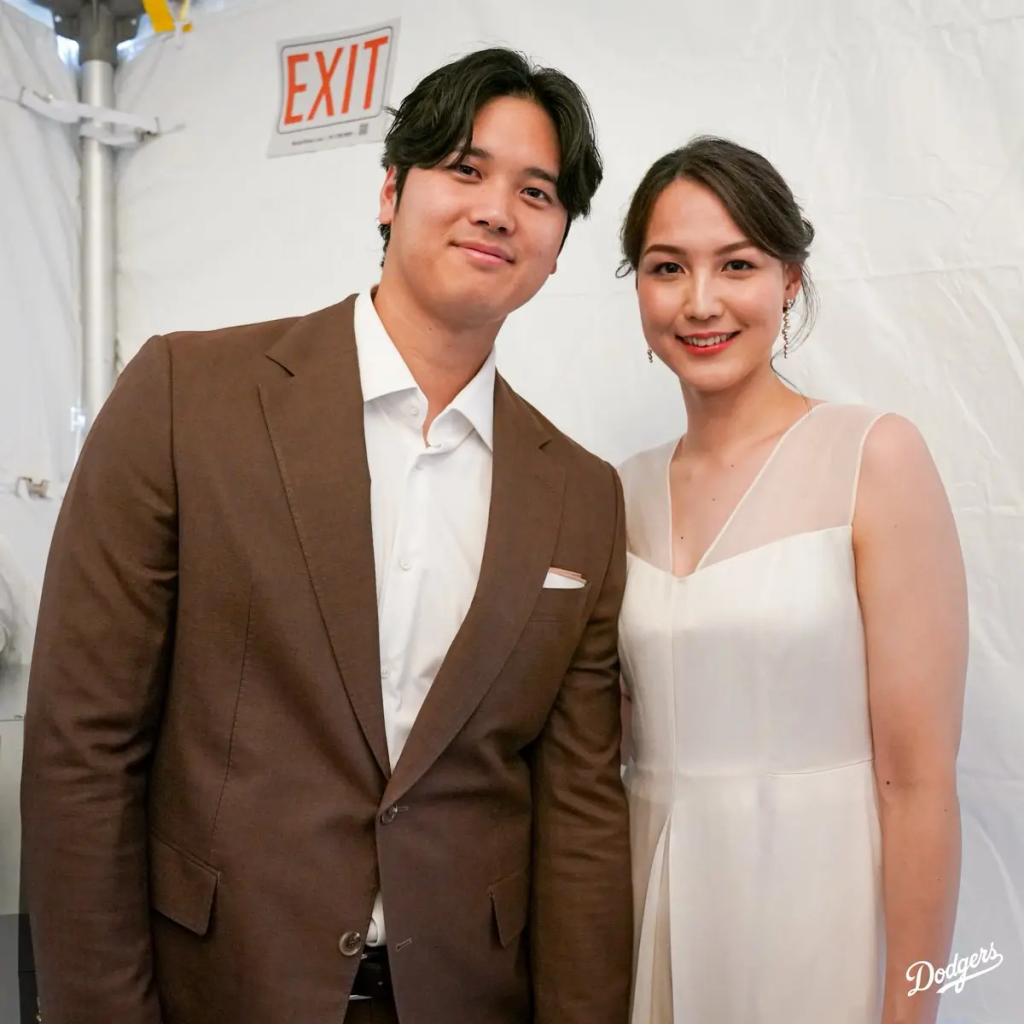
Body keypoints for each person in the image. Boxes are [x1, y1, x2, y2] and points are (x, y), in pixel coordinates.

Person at [21, 48, 633, 1024]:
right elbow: (82, 749)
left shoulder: (581, 495)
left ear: (557, 245)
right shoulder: (186, 397)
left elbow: (580, 814)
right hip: (222, 987)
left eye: (536, 192)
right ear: (391, 190)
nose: (496, 210)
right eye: (464, 169)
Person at [616, 137, 967, 1024]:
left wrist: (913, 1011)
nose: (701, 301)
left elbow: (918, 781)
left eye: (736, 264)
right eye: (667, 267)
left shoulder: (872, 455)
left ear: (789, 281)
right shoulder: (615, 493)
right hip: (653, 910)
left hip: (822, 914)